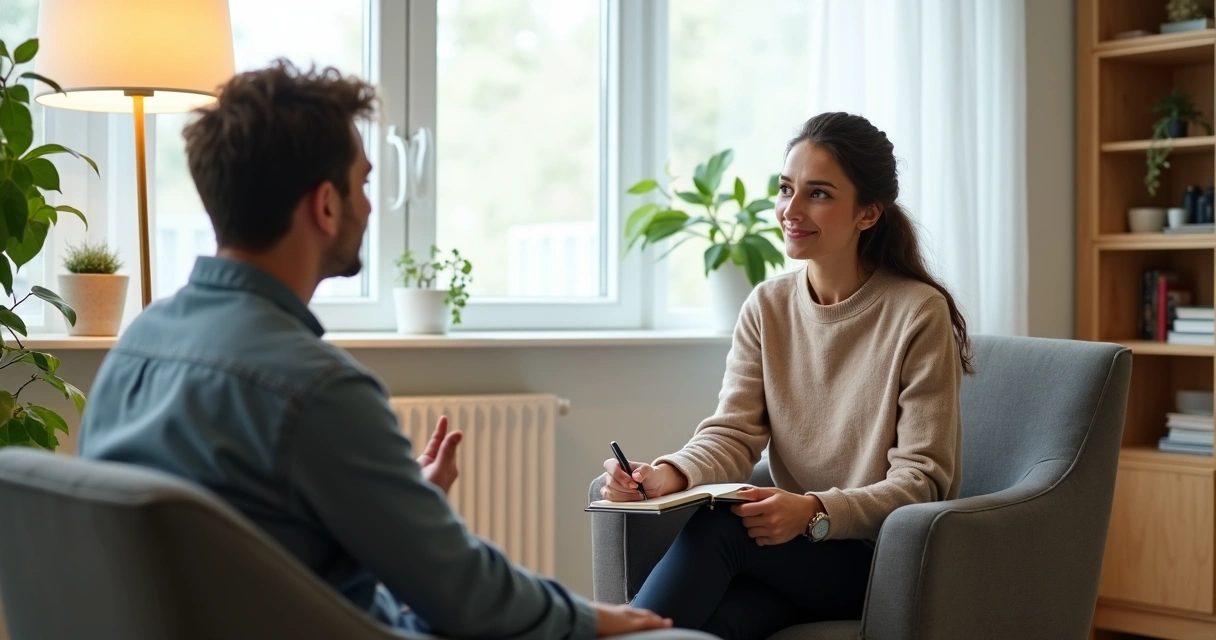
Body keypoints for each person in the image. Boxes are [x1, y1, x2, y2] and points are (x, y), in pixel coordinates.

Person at [78, 60, 698, 640]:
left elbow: (252, 542)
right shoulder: (317, 389)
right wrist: (592, 618)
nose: (371, 205)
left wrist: (403, 501)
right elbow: (466, 595)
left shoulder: (137, 344)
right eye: (363, 183)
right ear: (326, 205)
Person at [597, 112, 970, 640]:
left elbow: (923, 481)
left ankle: (606, 630)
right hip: (790, 556)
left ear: (867, 213)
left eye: (817, 194)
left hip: (874, 558)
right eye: (785, 189)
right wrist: (665, 474)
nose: (790, 211)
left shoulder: (917, 313)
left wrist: (815, 511)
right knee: (716, 625)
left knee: (721, 527)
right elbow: (733, 433)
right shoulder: (767, 306)